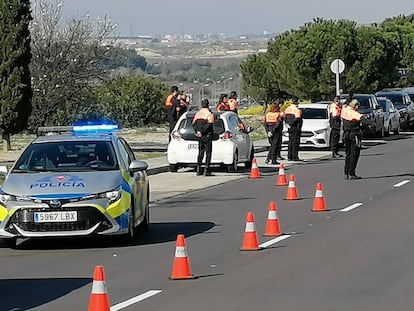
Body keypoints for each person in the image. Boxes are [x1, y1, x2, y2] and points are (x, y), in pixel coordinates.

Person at [341, 99, 372, 180]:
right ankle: (352, 173)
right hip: (354, 134)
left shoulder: (345, 109)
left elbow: (345, 102)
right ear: (354, 106)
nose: (358, 107)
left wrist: (350, 96)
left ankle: (346, 172)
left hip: (346, 134)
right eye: (357, 106)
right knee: (354, 154)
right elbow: (362, 119)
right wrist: (371, 122)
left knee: (348, 154)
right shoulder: (354, 113)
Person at [192, 99, 215, 176]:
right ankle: (206, 170)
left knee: (200, 152)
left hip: (200, 136)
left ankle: (198, 169)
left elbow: (194, 124)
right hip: (207, 135)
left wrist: (197, 131)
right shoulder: (209, 113)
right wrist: (202, 131)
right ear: (208, 105)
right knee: (208, 153)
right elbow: (210, 124)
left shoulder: (198, 113)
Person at [284, 97, 303, 161]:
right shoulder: (297, 109)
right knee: (295, 142)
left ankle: (289, 156)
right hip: (295, 127)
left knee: (290, 142)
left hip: (289, 128)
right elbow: (297, 118)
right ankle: (295, 156)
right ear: (297, 102)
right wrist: (291, 124)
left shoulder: (287, 109)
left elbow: (285, 118)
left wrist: (287, 124)